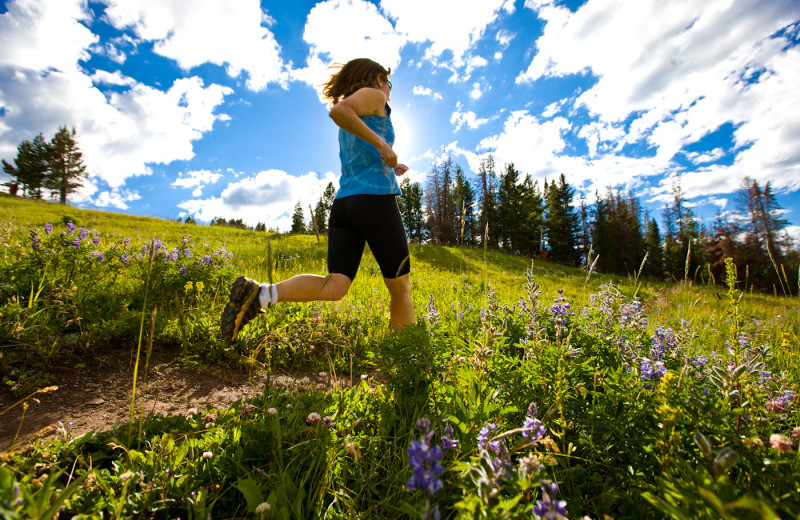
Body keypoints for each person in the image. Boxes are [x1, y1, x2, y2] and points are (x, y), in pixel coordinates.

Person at [221, 58, 415, 344]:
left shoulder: (359, 107)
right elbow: (339, 111)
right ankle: (407, 361)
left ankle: (261, 294)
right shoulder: (374, 97)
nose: (389, 90)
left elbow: (356, 142)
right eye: (389, 83)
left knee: (334, 285)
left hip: (345, 205)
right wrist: (384, 145)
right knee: (400, 286)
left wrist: (388, 162)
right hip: (373, 200)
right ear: (377, 80)